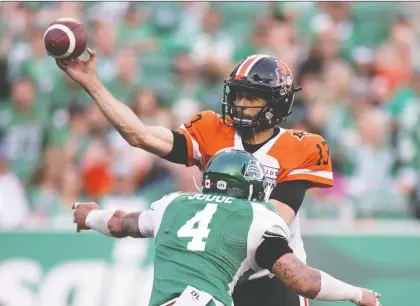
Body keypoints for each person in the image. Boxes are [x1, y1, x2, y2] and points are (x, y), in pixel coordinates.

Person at [57, 50, 331, 306]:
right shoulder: (211, 128)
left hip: (271, 276)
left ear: (276, 102)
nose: (241, 104)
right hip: (214, 272)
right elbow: (139, 134)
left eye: (251, 97)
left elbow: (275, 218)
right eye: (238, 95)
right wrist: (91, 82)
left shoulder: (303, 146)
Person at [73, 149, 381, 306]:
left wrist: (89, 218)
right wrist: (357, 293)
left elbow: (119, 223)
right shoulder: (257, 215)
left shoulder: (173, 203)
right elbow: (305, 282)